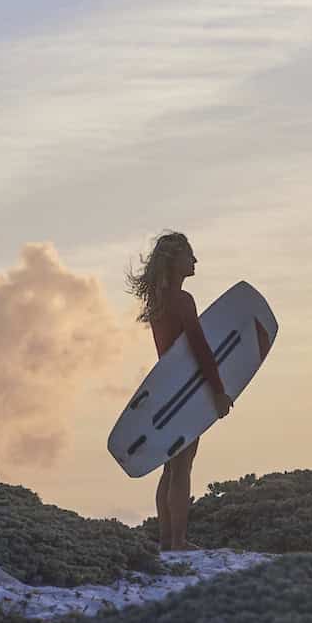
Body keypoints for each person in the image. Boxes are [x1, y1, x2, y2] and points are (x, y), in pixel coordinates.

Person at [125, 231, 230, 552]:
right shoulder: (182, 301)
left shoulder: (157, 301)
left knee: (170, 467)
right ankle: (178, 540)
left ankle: (166, 540)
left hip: (166, 389)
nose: (195, 261)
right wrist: (218, 391)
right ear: (175, 261)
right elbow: (199, 348)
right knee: (182, 465)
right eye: (189, 255)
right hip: (187, 390)